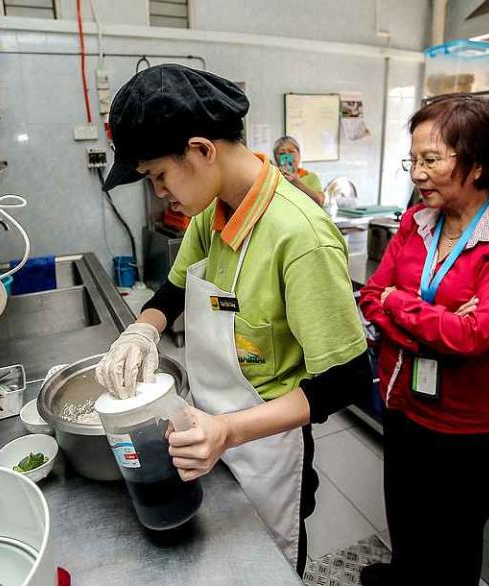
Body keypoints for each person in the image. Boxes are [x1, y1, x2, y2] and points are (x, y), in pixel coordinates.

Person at [95, 64, 371, 575]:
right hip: (213, 426)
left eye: (159, 175)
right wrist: (142, 330)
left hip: (270, 444)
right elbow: (174, 290)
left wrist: (228, 429)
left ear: (201, 150)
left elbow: (346, 379)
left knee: (267, 565)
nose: (159, 192)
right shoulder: (211, 211)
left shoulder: (300, 236)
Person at [357, 95, 489, 586]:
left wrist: (402, 304)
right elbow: (371, 296)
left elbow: (473, 338)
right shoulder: (416, 221)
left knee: (454, 542)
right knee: (405, 517)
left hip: (468, 426)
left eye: (431, 160)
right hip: (404, 400)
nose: (417, 174)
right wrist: (435, 319)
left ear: (480, 164)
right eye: (414, 160)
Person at [272, 136, 325, 207]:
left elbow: (320, 201)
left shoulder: (311, 177)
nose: (287, 156)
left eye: (291, 151)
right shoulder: (272, 178)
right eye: (281, 153)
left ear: (299, 155)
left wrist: (297, 182)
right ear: (276, 158)